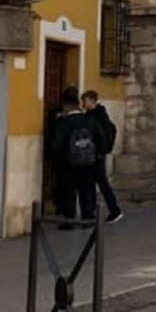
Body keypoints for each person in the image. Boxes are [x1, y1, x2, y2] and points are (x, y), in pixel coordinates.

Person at [50, 86, 105, 228]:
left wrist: (59, 158)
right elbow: (101, 137)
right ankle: (87, 219)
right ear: (78, 105)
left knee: (69, 191)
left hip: (69, 163)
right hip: (89, 162)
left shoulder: (63, 123)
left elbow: (56, 144)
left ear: (65, 106)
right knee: (86, 190)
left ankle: (69, 221)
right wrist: (97, 154)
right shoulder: (90, 120)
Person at [82, 90, 124, 224]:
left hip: (97, 155)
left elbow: (102, 135)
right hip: (96, 154)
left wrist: (101, 151)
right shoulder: (97, 115)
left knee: (100, 183)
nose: (83, 103)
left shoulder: (97, 116)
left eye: (85, 100)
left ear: (92, 101)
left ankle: (114, 210)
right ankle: (95, 212)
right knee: (94, 183)